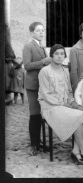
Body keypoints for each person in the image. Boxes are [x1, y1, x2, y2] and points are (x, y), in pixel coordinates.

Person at [38, 44, 83, 166]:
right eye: (56, 54)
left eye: (61, 54)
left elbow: (69, 91)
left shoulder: (65, 71)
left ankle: (76, 150)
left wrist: (72, 102)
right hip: (50, 107)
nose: (59, 56)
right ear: (51, 56)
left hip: (64, 106)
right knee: (77, 117)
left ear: (64, 56)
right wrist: (63, 104)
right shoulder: (44, 71)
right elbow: (46, 94)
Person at [22, 22, 52, 155]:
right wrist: (44, 62)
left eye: (43, 30)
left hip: (42, 84)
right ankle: (34, 144)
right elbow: (27, 66)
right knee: (34, 113)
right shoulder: (28, 46)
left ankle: (39, 142)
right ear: (31, 32)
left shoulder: (41, 46)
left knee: (40, 114)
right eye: (38, 31)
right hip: (33, 85)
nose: (41, 33)